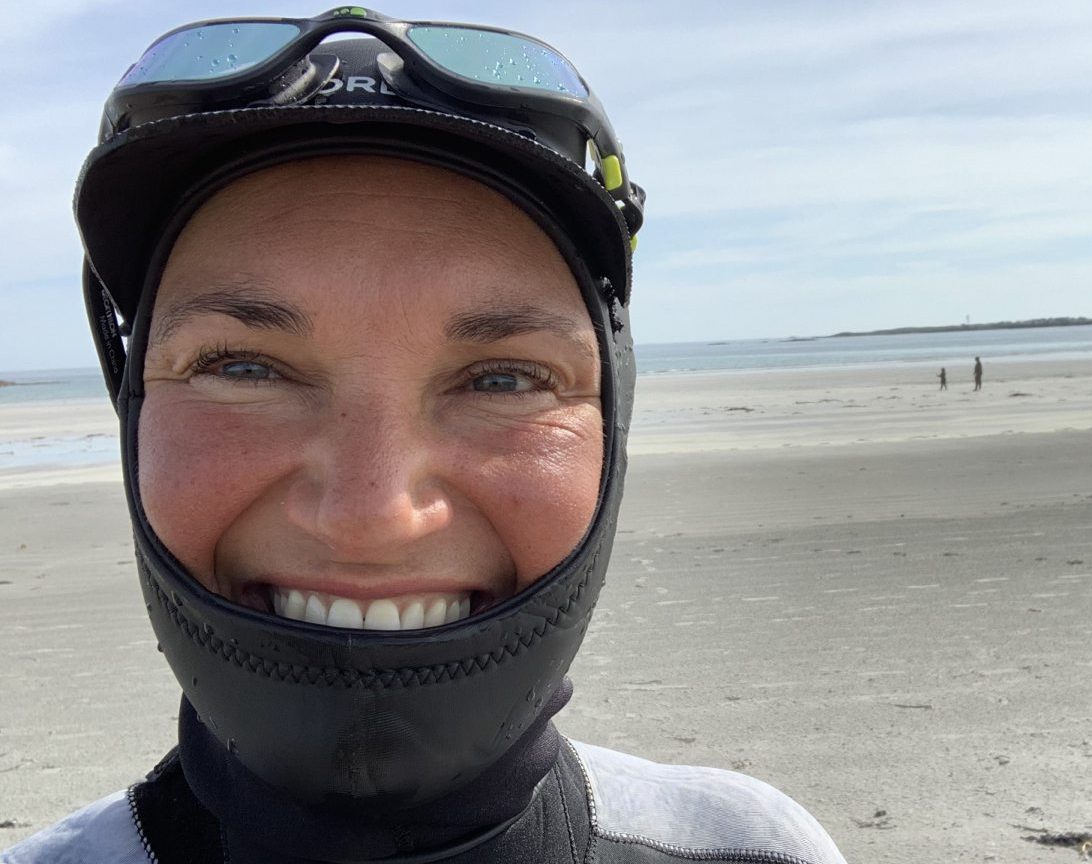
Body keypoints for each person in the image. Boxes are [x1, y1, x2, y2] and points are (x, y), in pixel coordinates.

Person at [3, 9, 845, 864]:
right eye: (243, 367)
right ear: (132, 402)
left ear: (610, 425)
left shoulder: (758, 852)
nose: (370, 520)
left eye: (505, 379)